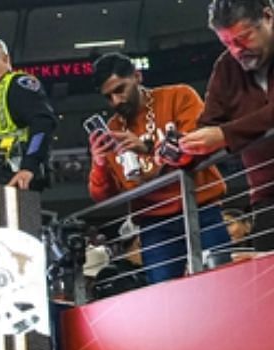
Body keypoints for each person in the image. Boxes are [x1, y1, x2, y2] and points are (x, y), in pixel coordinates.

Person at [87, 53, 231, 282]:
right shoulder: (113, 128)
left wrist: (146, 146)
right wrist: (100, 164)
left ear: (137, 76)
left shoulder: (178, 96)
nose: (116, 101)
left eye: (120, 89)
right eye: (108, 97)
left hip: (201, 206)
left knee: (221, 283)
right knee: (165, 299)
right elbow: (102, 196)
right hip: (155, 224)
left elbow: (198, 143)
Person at [186, 0, 274, 253]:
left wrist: (224, 135)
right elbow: (207, 124)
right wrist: (184, 146)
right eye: (227, 43)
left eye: (244, 38)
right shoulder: (226, 66)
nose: (237, 50)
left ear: (268, 17)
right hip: (266, 196)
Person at [0, 35, 57, 190]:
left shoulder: (17, 85)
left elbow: (43, 123)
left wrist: (29, 166)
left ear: (6, 60)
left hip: (14, 177)